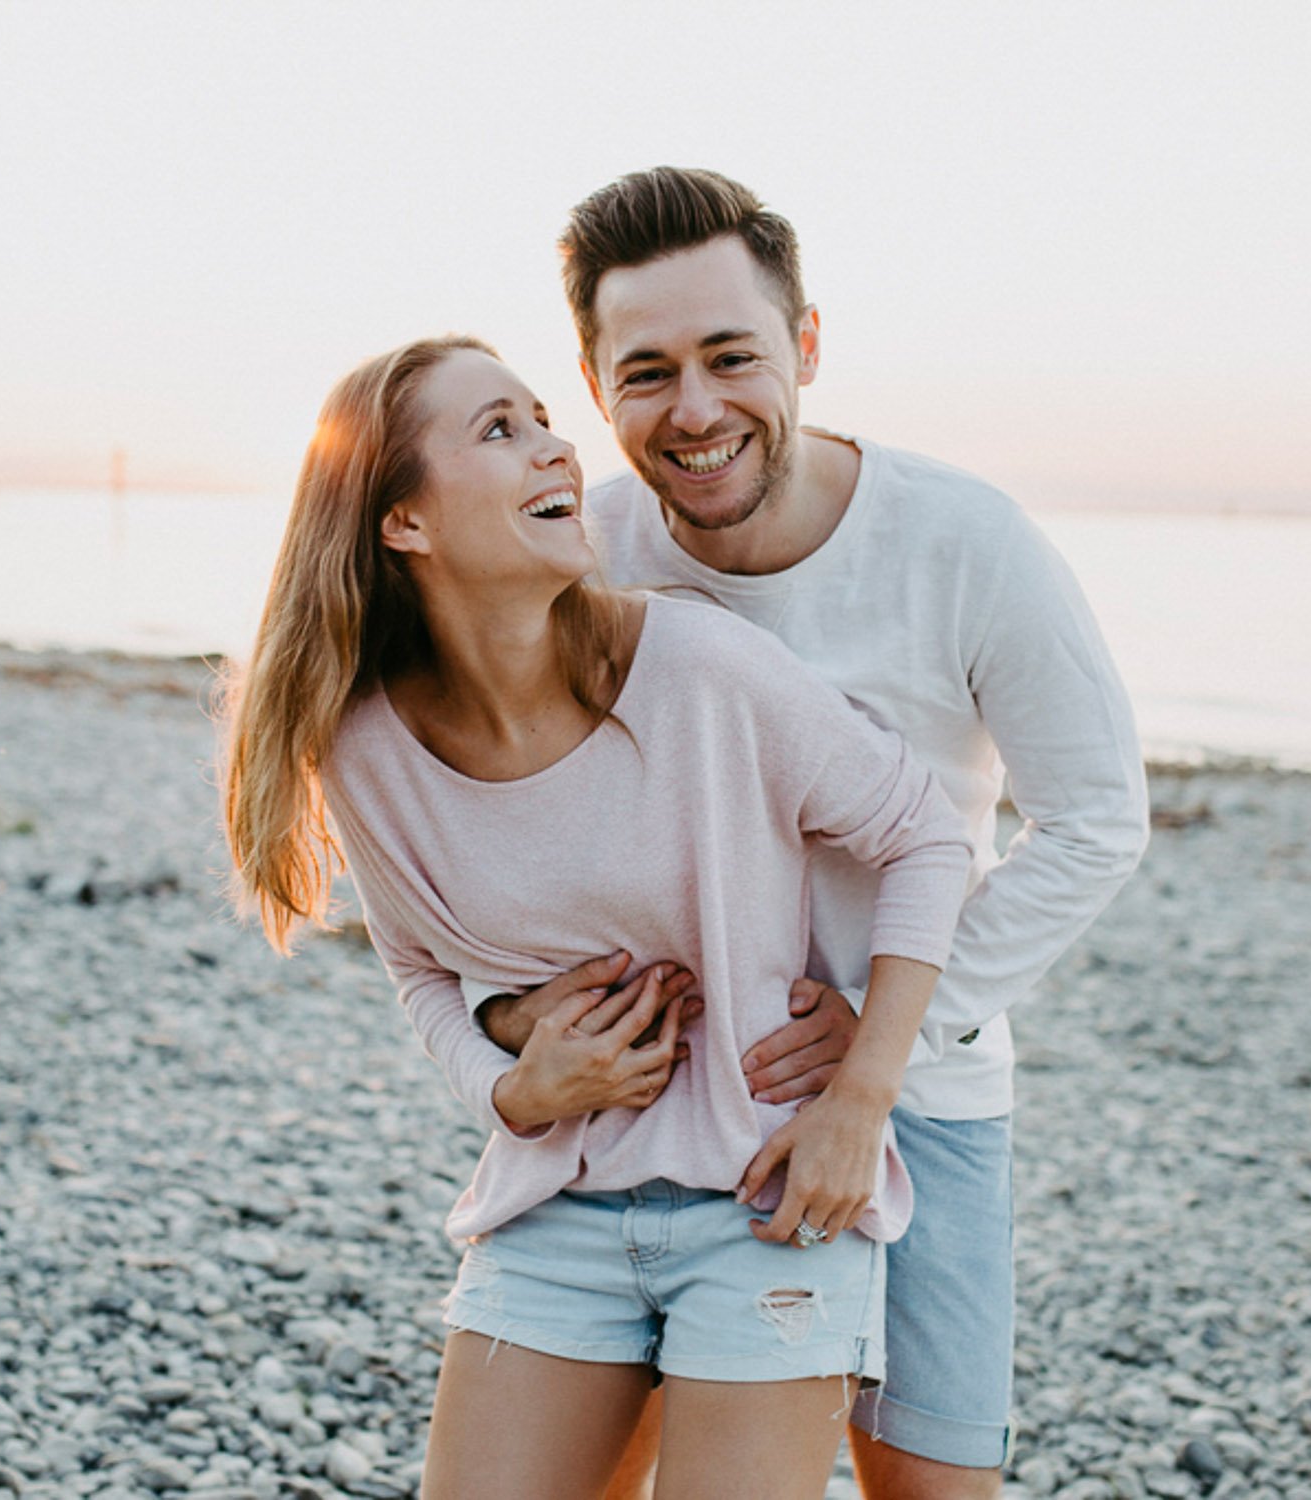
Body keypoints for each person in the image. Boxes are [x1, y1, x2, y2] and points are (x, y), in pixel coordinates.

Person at [468, 168, 1151, 1500]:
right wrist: (513, 1022)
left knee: (931, 1484)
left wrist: (882, 1028)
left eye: (733, 357)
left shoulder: (963, 543)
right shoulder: (582, 552)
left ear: (809, 348)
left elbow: (1094, 822)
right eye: (648, 371)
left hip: (922, 1101)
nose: (696, 408)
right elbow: (493, 798)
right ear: (595, 383)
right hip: (652, 1107)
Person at [220, 334, 976, 1500]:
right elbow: (420, 973)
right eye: (498, 430)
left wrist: (860, 1099)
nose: (552, 443)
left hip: (763, 1198)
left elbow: (924, 835)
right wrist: (507, 1088)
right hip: (554, 1207)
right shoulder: (365, 750)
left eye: (539, 417)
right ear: (401, 522)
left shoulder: (700, 668)